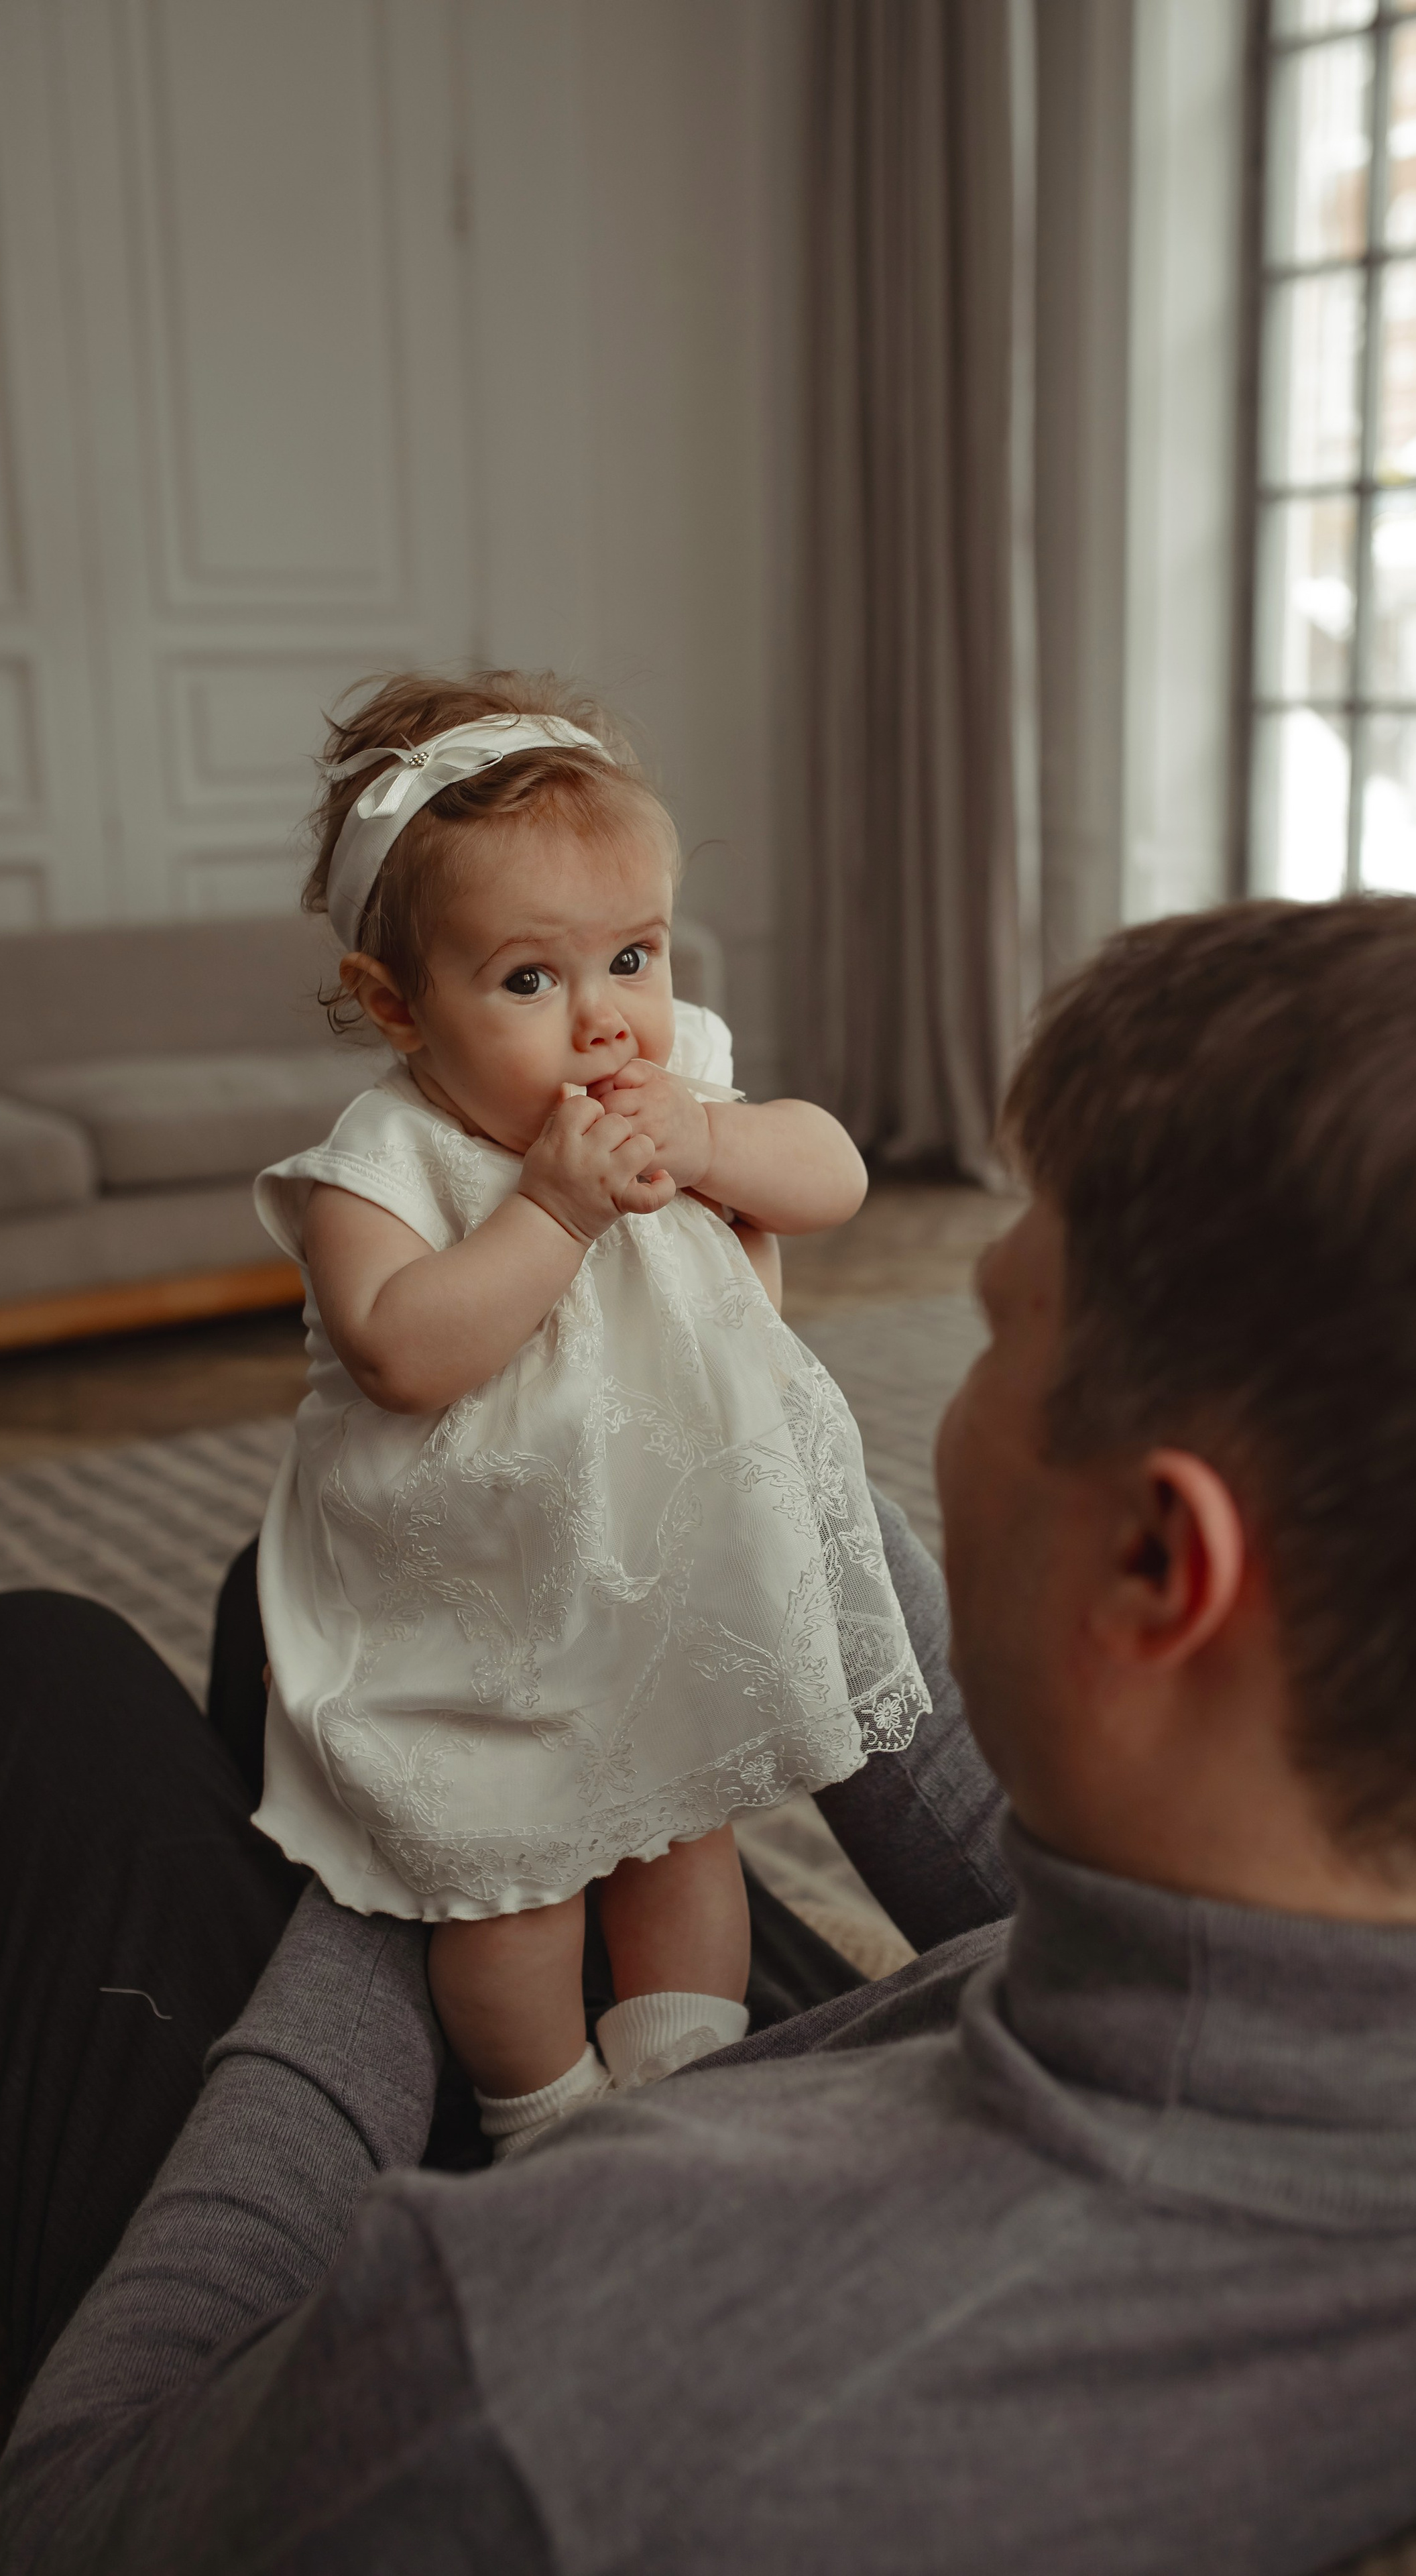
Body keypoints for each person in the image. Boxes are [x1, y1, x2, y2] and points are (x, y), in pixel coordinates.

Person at [0, 895, 1416, 2575]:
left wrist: (435, 1799)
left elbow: (64, 2524)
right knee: (285, 1593)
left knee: (42, 1681)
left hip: (617, 2200)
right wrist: (733, 1516)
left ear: (1158, 1561)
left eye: (996, 1323)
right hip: (869, 2072)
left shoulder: (534, 2369)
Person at [250, 671, 926, 2155]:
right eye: (527, 981)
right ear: (395, 1005)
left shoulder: (678, 1075)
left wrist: (712, 1138)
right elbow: (398, 1353)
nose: (605, 1021)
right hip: (486, 1590)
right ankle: (541, 2116)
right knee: (516, 1876)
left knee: (687, 1823)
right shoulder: (386, 1155)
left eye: (632, 955)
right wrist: (550, 1212)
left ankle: (682, 2093)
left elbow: (833, 1175)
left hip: (660, 1545)